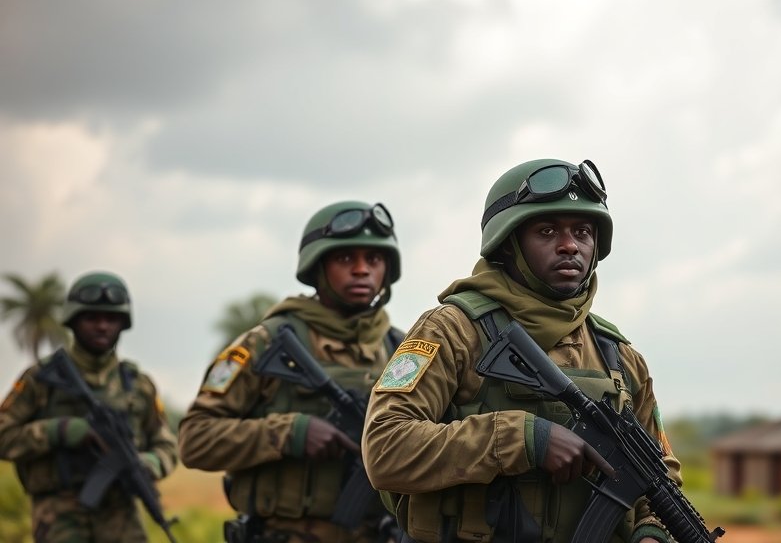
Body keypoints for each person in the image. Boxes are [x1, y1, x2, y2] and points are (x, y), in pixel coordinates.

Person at [362, 159, 682, 543]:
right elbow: (385, 447)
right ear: (508, 242)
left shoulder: (620, 357)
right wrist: (522, 438)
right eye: (546, 231)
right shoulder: (452, 331)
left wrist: (653, 531)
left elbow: (660, 475)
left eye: (582, 231)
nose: (569, 246)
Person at [178, 200, 407, 543]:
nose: (362, 270)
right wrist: (288, 433)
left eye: (373, 260)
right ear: (318, 267)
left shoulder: (401, 351)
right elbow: (195, 439)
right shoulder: (266, 344)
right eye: (346, 259)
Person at [0, 271, 179, 542]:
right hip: (59, 517)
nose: (102, 326)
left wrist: (150, 463)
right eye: (91, 318)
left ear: (123, 324)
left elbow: (167, 445)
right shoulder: (42, 379)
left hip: (122, 517)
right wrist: (59, 431)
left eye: (111, 319)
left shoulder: (137, 385)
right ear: (73, 321)